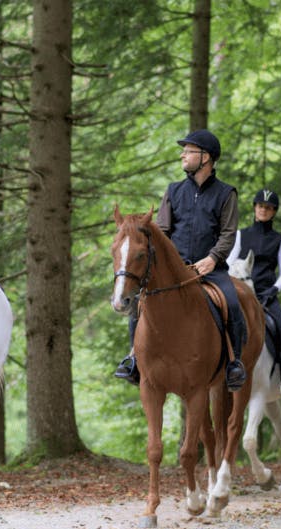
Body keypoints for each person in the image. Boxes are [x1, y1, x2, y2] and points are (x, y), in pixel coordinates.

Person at [114, 129, 247, 391]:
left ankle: (234, 363)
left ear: (205, 157)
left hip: (210, 268)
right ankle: (133, 358)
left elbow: (228, 233)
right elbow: (163, 231)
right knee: (140, 301)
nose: (182, 155)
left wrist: (213, 258)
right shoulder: (173, 191)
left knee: (232, 302)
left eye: (188, 151)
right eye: (183, 151)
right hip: (175, 270)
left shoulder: (226, 193)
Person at [227, 188, 281, 397]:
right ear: (255, 208)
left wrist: (274, 289)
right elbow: (229, 262)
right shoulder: (241, 234)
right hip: (240, 291)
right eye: (260, 206)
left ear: (274, 212)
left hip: (266, 294)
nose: (263, 210)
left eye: (268, 208)